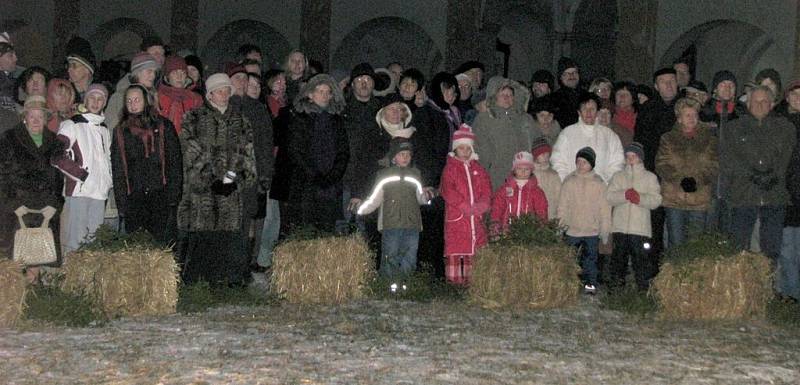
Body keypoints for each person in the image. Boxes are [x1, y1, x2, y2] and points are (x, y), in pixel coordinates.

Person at [177, 73, 257, 286]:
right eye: (219, 90)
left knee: (230, 236)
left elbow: (246, 153)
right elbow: (190, 151)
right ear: (209, 93)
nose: (224, 94)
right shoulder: (193, 118)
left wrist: (233, 178)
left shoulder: (241, 120)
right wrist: (211, 178)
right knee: (204, 235)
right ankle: (202, 281)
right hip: (203, 190)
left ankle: (229, 280)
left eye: (226, 90)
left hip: (230, 190)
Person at [720, 85, 796, 265]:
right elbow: (729, 158)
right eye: (756, 101)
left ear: (771, 104)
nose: (760, 105)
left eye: (764, 102)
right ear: (748, 104)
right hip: (743, 194)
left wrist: (774, 175)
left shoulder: (785, 127)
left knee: (771, 249)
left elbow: (787, 156)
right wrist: (751, 175)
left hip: (774, 194)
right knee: (738, 247)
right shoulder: (734, 128)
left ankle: (767, 286)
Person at [0, 96, 63, 283]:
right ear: (24, 117)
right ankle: (15, 292)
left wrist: (54, 204)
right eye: (32, 116)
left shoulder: (55, 143)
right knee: (15, 253)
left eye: (40, 116)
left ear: (46, 119)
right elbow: (2, 176)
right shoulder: (8, 140)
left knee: (38, 253)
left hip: (44, 207)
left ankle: (34, 287)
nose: (36, 120)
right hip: (17, 205)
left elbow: (59, 178)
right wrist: (13, 203)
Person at [111, 84, 182, 244]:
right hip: (134, 198)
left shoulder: (164, 126)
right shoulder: (121, 131)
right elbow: (118, 168)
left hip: (160, 196)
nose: (132, 104)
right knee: (137, 247)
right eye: (129, 100)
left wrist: (173, 197)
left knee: (161, 245)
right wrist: (121, 203)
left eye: (137, 99)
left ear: (146, 101)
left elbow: (174, 161)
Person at [284, 74, 349, 233]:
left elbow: (343, 151)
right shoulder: (300, 119)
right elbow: (296, 151)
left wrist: (333, 175)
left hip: (331, 185)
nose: (324, 95)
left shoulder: (337, 120)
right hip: (306, 184)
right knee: (306, 230)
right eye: (320, 91)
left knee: (328, 231)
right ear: (310, 94)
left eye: (328, 92)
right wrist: (314, 175)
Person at [52, 84, 112, 256]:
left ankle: (90, 280)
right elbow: (56, 156)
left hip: (99, 193)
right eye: (92, 97)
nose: (96, 102)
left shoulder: (104, 129)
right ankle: (72, 279)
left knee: (95, 241)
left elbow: (107, 158)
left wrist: (108, 180)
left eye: (100, 99)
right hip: (79, 191)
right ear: (85, 99)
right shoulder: (71, 124)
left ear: (104, 103)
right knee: (76, 241)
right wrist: (81, 175)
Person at [357, 137, 429, 281]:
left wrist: (427, 197)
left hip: (412, 224)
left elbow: (420, 198)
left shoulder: (415, 174)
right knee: (390, 255)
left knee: (410, 255)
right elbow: (375, 198)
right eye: (402, 154)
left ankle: (405, 285)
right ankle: (388, 285)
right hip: (391, 224)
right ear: (393, 157)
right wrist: (360, 209)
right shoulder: (384, 175)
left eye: (408, 154)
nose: (405, 157)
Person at [655, 98, 718, 247]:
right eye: (687, 115)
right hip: (674, 199)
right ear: (679, 118)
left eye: (694, 115)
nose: (692, 119)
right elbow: (661, 164)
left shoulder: (709, 139)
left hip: (699, 200)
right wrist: (680, 180)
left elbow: (714, 165)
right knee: (676, 243)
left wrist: (698, 180)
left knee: (696, 245)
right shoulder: (668, 138)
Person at [633, 67, 679, 260]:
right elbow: (641, 144)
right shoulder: (648, 110)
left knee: (678, 228)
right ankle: (652, 267)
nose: (669, 85)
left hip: (681, 177)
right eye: (664, 82)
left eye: (672, 81)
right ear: (656, 86)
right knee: (655, 226)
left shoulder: (686, 108)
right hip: (655, 177)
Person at [606, 142, 662, 291]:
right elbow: (609, 197)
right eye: (628, 156)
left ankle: (643, 289)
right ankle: (616, 289)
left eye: (634, 156)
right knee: (618, 259)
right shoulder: (618, 177)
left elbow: (656, 200)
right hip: (620, 227)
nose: (630, 159)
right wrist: (624, 195)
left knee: (641, 260)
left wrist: (640, 199)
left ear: (640, 158)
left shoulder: (650, 178)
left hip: (640, 229)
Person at [440, 126, 492, 285]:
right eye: (461, 148)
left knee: (475, 250)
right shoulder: (450, 168)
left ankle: (474, 284)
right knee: (457, 250)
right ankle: (455, 284)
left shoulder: (478, 169)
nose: (464, 151)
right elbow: (447, 190)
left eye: (467, 148)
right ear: (455, 149)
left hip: (475, 218)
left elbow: (486, 189)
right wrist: (463, 205)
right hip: (459, 217)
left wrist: (482, 204)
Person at [557, 147, 612, 294]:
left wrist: (605, 229)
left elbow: (604, 209)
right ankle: (568, 285)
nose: (581, 165)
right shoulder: (569, 182)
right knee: (570, 259)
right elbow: (563, 205)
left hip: (591, 230)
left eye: (585, 162)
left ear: (592, 164)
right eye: (579, 162)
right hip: (572, 229)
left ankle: (590, 285)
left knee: (590, 260)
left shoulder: (599, 184)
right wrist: (560, 225)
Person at [699, 70, 746, 232]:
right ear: (715, 89)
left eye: (731, 85)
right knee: (708, 230)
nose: (727, 88)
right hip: (708, 182)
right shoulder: (703, 114)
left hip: (734, 184)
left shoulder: (743, 115)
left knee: (730, 230)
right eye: (723, 85)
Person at [472, 76, 539, 189]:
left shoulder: (525, 119)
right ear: (494, 96)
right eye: (503, 94)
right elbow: (479, 151)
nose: (507, 98)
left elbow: (537, 142)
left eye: (510, 95)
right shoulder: (484, 120)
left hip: (523, 177)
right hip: (495, 178)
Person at [551, 93, 624, 183]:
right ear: (579, 112)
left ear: (597, 112)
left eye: (592, 109)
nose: (588, 112)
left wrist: (605, 182)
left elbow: (617, 162)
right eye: (585, 109)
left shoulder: (609, 135)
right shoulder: (567, 133)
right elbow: (557, 160)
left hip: (601, 189)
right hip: (573, 188)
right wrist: (567, 181)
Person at [490, 151, 548, 234]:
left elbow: (541, 212)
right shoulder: (504, 190)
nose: (523, 172)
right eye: (519, 168)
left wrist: (541, 229)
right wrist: (495, 227)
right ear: (514, 170)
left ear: (531, 171)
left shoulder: (537, 192)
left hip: (528, 233)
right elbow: (497, 209)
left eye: (527, 169)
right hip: (506, 232)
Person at [779, 79, 800, 302]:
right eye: (794, 95)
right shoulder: (782, 123)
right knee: (787, 248)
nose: (798, 99)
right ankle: (790, 293)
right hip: (786, 192)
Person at [157, 56, 203, 134]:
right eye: (175, 73)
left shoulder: (195, 99)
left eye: (183, 73)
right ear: (167, 76)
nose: (179, 77)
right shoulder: (157, 99)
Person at [550, 57, 586, 127]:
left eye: (574, 72)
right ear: (560, 77)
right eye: (567, 73)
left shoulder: (587, 96)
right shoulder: (554, 99)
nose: (572, 76)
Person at [531, 137, 561, 220]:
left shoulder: (554, 175)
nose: (545, 156)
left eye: (547, 153)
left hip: (551, 216)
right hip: (534, 218)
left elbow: (559, 197)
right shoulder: (531, 174)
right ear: (535, 156)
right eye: (542, 153)